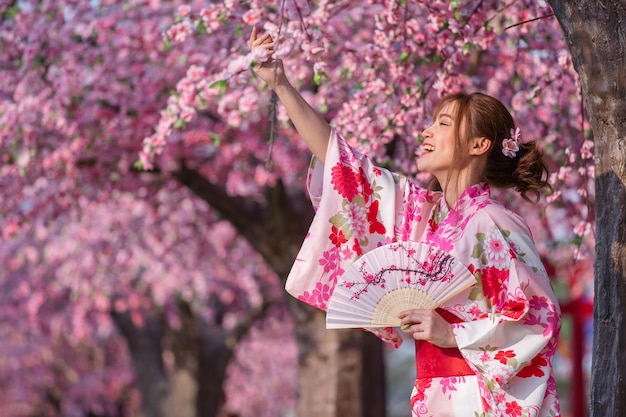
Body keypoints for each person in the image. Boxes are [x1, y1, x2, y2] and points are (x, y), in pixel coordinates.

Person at [249, 27, 561, 417]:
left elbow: (537, 317)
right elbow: (345, 169)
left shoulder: (495, 221)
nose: (426, 131)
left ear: (479, 145)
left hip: (478, 396)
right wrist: (281, 85)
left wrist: (456, 334)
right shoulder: (423, 217)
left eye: (444, 124)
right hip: (433, 392)